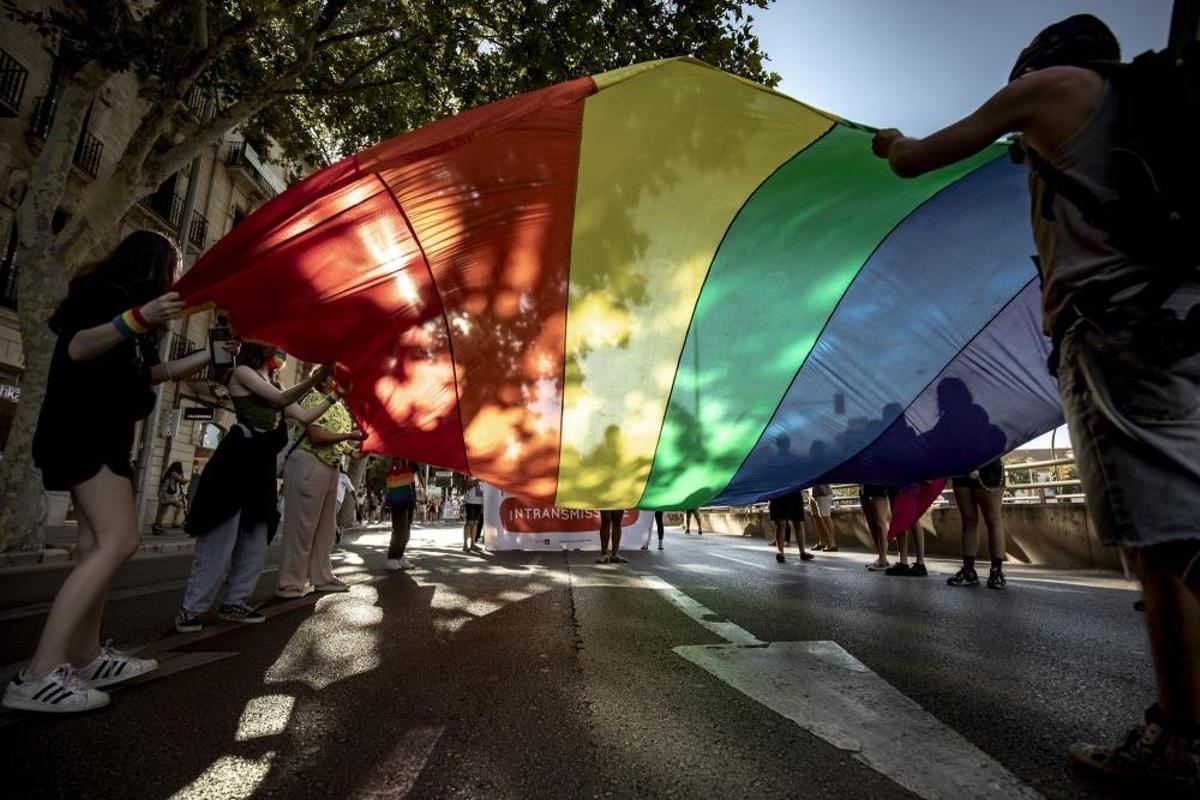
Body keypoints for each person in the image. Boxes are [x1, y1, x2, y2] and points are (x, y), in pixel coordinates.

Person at [870, 14, 1200, 785]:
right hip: (1183, 323)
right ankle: (1181, 734)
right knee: (1179, 525)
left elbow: (916, 160)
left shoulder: (1052, 91)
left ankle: (1181, 739)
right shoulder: (1145, 110)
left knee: (1165, 544)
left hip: (1119, 337)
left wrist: (888, 142)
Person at [3, 231, 225, 713]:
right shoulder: (104, 295)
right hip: (84, 433)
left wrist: (208, 356)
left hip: (101, 435)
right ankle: (38, 673)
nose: (177, 276)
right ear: (152, 264)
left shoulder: (131, 317)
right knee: (121, 540)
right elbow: (78, 347)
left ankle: (85, 656)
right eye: (175, 265)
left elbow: (147, 377)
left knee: (93, 545)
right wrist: (140, 317)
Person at [175, 347, 335, 632]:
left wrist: (337, 395)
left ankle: (235, 601)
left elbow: (306, 416)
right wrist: (319, 375)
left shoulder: (273, 383)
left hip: (261, 465)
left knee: (256, 537)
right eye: (275, 346)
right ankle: (191, 609)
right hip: (237, 459)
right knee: (220, 537)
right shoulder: (243, 373)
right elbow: (283, 400)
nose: (281, 352)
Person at [275, 372, 365, 599]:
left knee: (325, 528)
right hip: (309, 462)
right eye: (335, 377)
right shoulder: (314, 400)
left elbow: (337, 439)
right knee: (302, 526)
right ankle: (290, 582)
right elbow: (316, 435)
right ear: (324, 381)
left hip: (331, 467)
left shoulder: (341, 408)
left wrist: (354, 450)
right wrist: (350, 434)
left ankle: (322, 577)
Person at [947, 458, 1008, 588]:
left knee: (993, 519)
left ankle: (996, 571)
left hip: (988, 464)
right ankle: (968, 571)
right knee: (969, 519)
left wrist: (978, 464)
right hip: (961, 466)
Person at [384, 459, 422, 570]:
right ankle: (392, 558)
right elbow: (394, 466)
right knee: (400, 528)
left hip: (409, 494)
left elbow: (414, 471)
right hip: (400, 493)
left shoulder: (412, 453)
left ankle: (399, 556)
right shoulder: (400, 454)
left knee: (406, 529)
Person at [769, 489, 813, 564]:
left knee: (798, 523)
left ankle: (802, 552)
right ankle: (781, 553)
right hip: (777, 492)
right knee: (780, 524)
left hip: (794, 491)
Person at [860, 485, 892, 571]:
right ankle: (880, 557)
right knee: (872, 525)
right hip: (863, 487)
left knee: (880, 523)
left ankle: (883, 558)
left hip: (877, 485)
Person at [153, 461, 187, 534]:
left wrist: (181, 474)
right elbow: (182, 481)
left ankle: (157, 525)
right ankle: (174, 522)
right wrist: (183, 474)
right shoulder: (174, 473)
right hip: (167, 494)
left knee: (163, 510)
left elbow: (181, 482)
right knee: (179, 505)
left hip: (166, 494)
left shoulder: (171, 472)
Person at [810, 483, 837, 551]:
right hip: (813, 493)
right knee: (816, 517)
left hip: (823, 493)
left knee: (825, 517)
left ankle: (832, 544)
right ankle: (822, 542)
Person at [462, 477, 484, 551]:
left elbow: (481, 492)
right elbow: (467, 485)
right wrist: (476, 481)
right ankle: (465, 545)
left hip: (479, 503)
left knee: (475, 524)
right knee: (469, 523)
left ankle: (473, 544)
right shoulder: (472, 475)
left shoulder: (483, 478)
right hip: (471, 503)